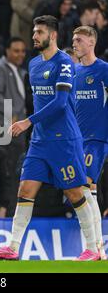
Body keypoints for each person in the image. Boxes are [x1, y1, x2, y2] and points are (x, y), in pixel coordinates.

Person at [0, 15, 99, 261]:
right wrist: (33, 126)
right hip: (39, 142)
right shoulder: (34, 64)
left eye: (39, 32)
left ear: (53, 35)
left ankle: (92, 248)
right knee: (25, 189)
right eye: (34, 32)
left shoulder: (64, 63)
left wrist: (28, 121)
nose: (34, 36)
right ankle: (13, 248)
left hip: (64, 140)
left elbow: (59, 103)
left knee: (75, 193)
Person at [73, 25, 108, 260]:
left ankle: (92, 248)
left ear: (91, 42)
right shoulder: (75, 73)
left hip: (97, 139)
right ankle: (99, 250)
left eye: (79, 40)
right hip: (77, 141)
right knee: (89, 192)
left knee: (82, 188)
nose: (74, 43)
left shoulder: (104, 70)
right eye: (73, 40)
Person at [0, 37, 27, 217]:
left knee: (17, 168)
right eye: (16, 50)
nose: (20, 54)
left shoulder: (21, 71)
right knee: (6, 170)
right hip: (5, 128)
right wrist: (12, 114)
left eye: (22, 51)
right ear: (7, 51)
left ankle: (11, 208)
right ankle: (2, 209)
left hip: (19, 129)